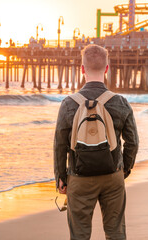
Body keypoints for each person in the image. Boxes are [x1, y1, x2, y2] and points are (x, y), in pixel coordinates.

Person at [54, 44, 139, 240]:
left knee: (80, 235)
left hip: (79, 177)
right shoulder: (120, 102)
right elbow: (132, 142)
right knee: (115, 233)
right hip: (113, 176)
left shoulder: (68, 103)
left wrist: (61, 176)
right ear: (107, 68)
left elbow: (60, 144)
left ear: (82, 69)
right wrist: (124, 169)